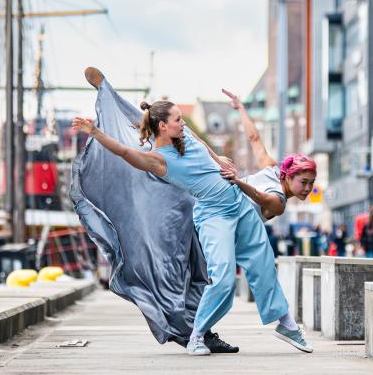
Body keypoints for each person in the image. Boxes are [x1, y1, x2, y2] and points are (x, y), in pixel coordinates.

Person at [72, 70, 311, 357]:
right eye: (177, 120)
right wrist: (95, 132)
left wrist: (216, 157)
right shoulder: (159, 161)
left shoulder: (185, 137)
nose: (183, 123)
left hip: (240, 207)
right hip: (214, 216)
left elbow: (200, 140)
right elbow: (124, 151)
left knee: (263, 267)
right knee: (222, 278)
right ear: (162, 126)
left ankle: (286, 324)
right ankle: (197, 335)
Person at [220, 89, 317, 220]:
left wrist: (240, 108)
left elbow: (254, 139)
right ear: (288, 177)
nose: (308, 188)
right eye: (304, 182)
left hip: (219, 199)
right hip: (219, 214)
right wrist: (237, 181)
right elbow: (259, 196)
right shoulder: (279, 204)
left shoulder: (271, 168)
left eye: (311, 183)